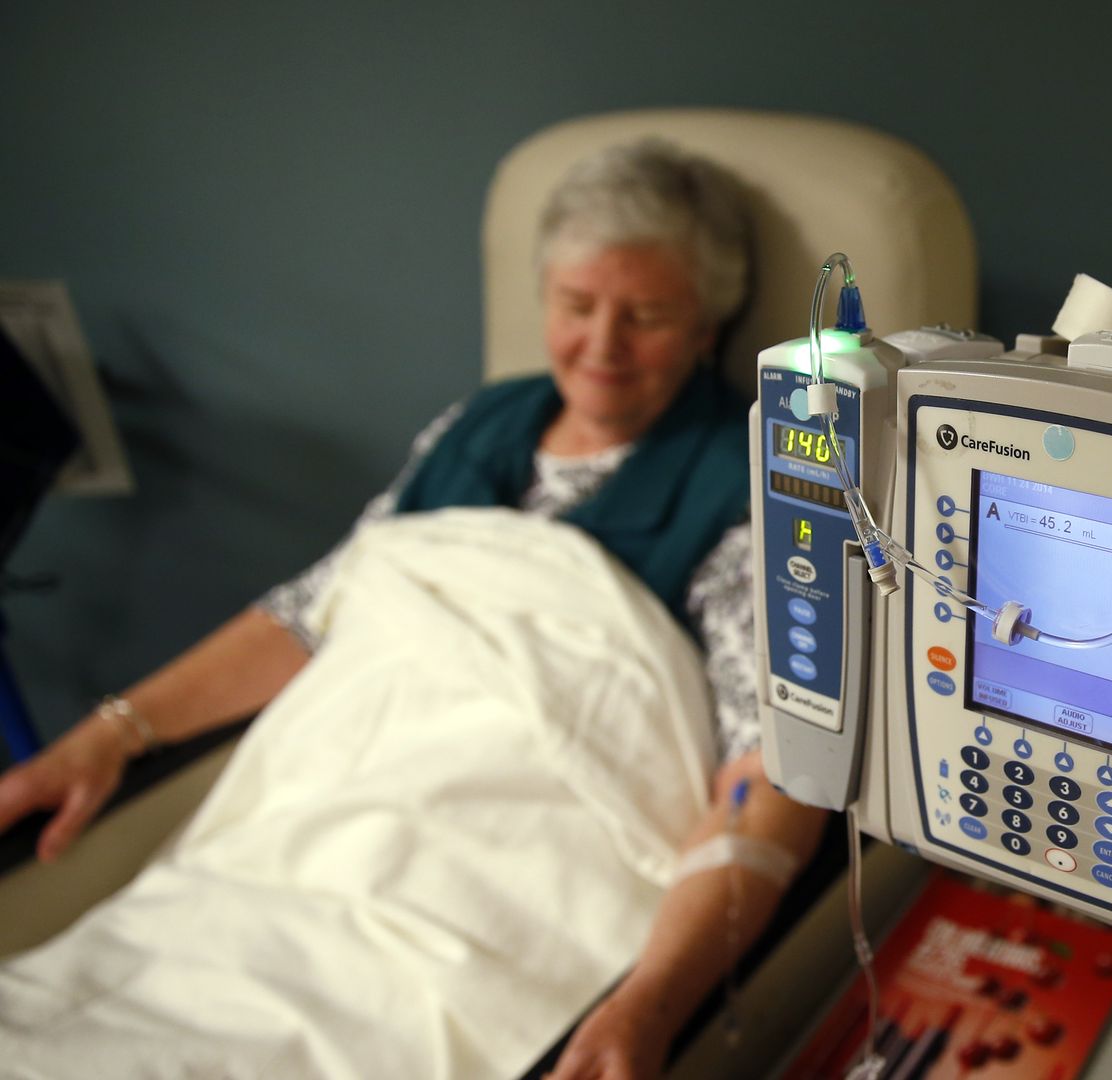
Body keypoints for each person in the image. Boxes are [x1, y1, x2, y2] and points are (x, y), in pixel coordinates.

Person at [0, 141, 825, 1080]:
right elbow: (315, 612)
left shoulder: (751, 483)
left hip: (502, 874)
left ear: (707, 325)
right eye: (577, 305)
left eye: (646, 315)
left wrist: (649, 1001)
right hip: (309, 838)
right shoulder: (477, 423)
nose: (602, 345)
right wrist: (108, 735)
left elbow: (768, 775)